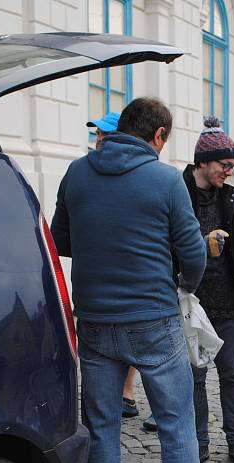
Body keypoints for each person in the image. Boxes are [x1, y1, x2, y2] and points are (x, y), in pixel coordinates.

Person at [51, 97, 207, 463]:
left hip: (96, 322)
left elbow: (60, 238)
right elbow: (193, 254)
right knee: (177, 430)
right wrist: (186, 288)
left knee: (101, 432)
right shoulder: (164, 179)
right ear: (157, 136)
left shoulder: (78, 172)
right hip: (154, 320)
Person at [144, 116, 234, 463]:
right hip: (191, 303)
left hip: (226, 303)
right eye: (225, 165)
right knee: (195, 376)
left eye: (233, 166)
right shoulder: (175, 191)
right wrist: (200, 247)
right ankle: (200, 442)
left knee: (232, 374)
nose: (229, 173)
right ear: (204, 162)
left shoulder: (227, 198)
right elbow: (163, 248)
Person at [87, 110, 141, 419]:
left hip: (127, 272)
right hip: (99, 273)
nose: (99, 139)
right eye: (96, 134)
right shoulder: (85, 171)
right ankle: (113, 394)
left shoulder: (136, 173)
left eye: (104, 134)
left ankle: (127, 390)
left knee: (128, 336)